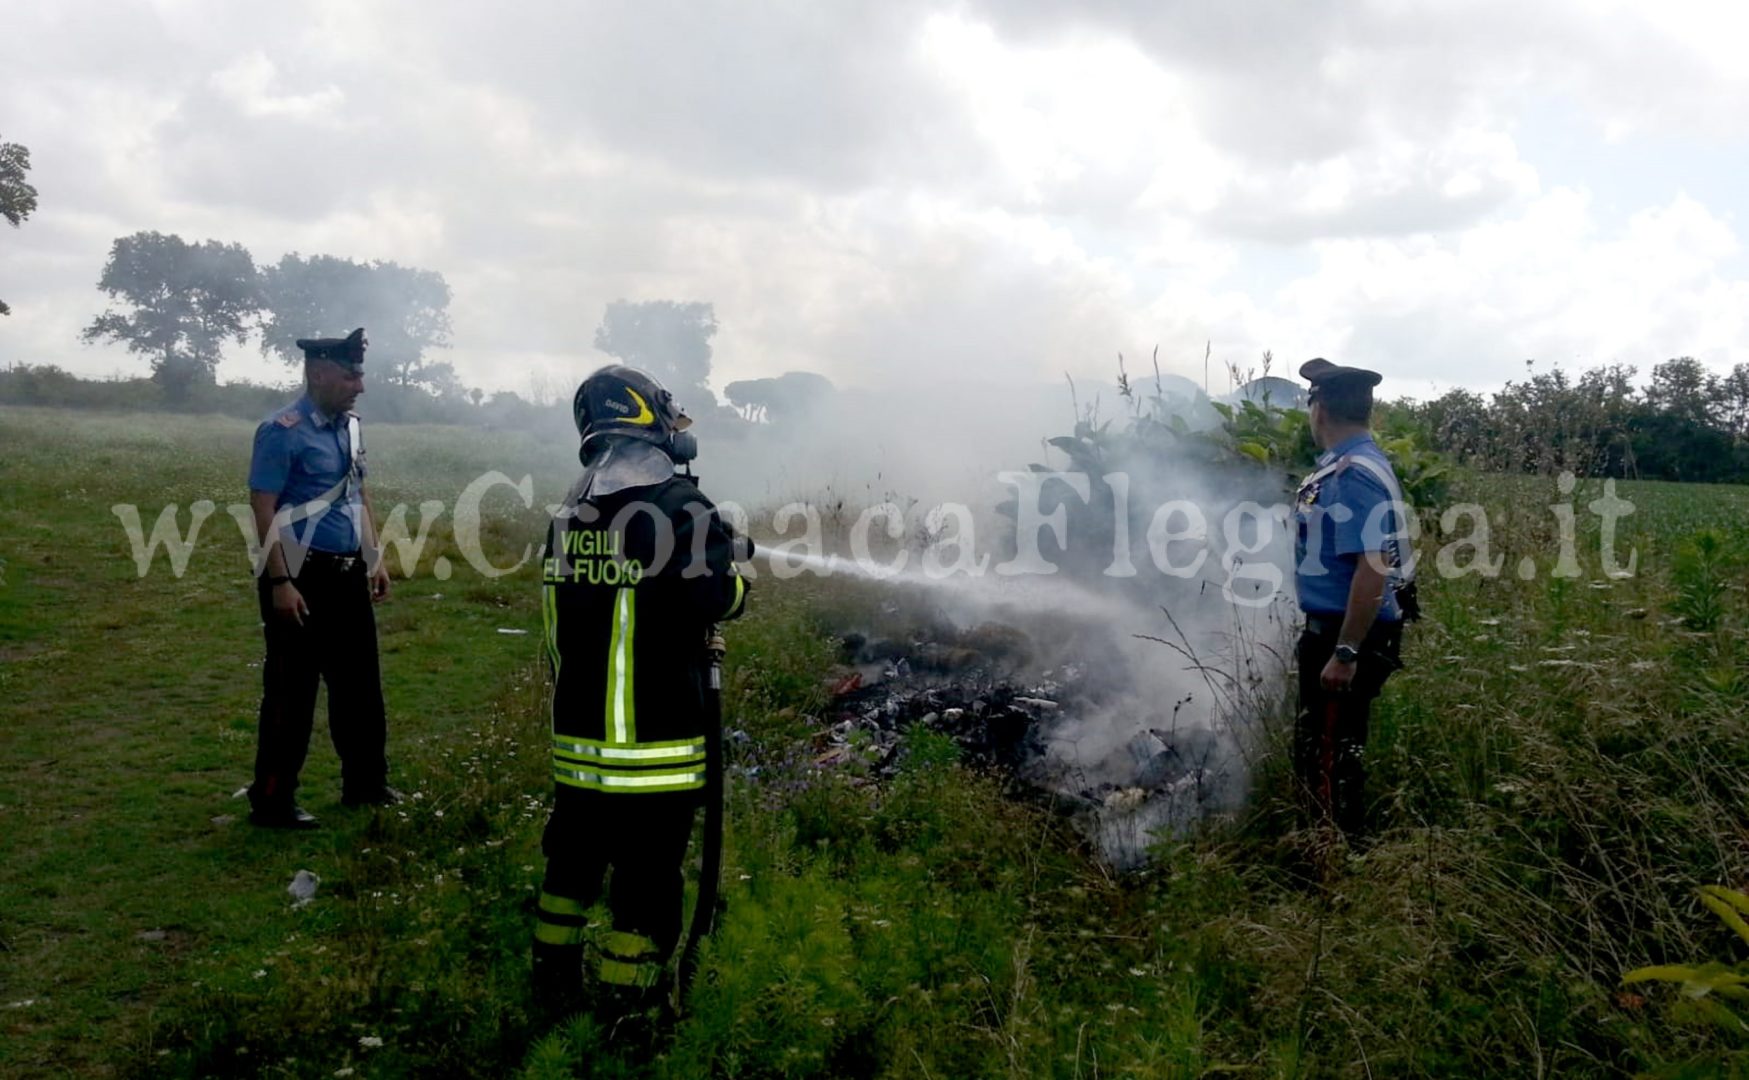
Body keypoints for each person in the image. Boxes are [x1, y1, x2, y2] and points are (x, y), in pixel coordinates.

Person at [531, 364, 748, 1016]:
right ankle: (627, 1018)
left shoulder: (571, 512)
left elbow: (561, 622)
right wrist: (731, 566)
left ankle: (551, 988)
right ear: (651, 425)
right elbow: (720, 598)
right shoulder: (682, 508)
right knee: (645, 888)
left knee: (568, 871)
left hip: (579, 746)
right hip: (657, 750)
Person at [245, 328, 401, 829]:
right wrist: (280, 582)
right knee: (292, 692)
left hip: (347, 573)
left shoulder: (351, 428)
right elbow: (263, 508)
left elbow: (359, 495)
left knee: (360, 687)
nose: (359, 385)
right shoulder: (281, 430)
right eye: (350, 374)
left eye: (360, 374)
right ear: (318, 372)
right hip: (299, 574)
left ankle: (366, 785)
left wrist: (374, 557)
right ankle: (272, 800)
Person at [1291, 357, 1416, 836]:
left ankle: (1332, 862)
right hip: (1345, 634)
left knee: (1327, 756)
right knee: (1328, 747)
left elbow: (1373, 565)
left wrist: (1345, 652)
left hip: (1344, 641)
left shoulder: (1351, 475)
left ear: (1319, 408)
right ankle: (1331, 848)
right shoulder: (1356, 465)